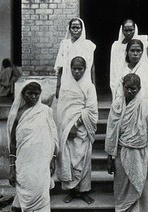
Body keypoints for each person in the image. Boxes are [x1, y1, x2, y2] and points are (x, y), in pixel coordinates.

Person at [105, 73, 148, 211]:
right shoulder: (117, 106)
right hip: (121, 152)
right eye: (127, 88)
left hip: (140, 153)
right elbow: (111, 134)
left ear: (140, 88)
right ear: (122, 87)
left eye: (133, 89)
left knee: (140, 187)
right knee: (122, 188)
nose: (130, 91)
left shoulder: (146, 106)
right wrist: (109, 158)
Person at [7, 81, 58, 212]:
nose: (33, 97)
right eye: (30, 94)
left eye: (36, 94)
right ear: (23, 94)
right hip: (24, 164)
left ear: (40, 94)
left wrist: (53, 159)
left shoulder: (45, 112)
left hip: (41, 164)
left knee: (41, 195)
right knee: (25, 194)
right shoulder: (17, 114)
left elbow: (52, 137)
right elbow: (13, 142)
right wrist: (12, 168)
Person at [56, 56, 98, 204]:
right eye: (74, 68)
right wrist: (66, 128)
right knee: (68, 160)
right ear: (70, 69)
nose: (77, 71)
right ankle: (71, 191)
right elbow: (61, 109)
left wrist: (76, 125)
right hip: (67, 130)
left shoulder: (89, 86)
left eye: (80, 69)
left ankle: (84, 191)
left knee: (83, 161)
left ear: (85, 69)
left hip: (82, 129)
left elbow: (91, 109)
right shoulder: (65, 86)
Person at [54, 17, 96, 99]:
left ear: (82, 29)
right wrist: (58, 86)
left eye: (78, 27)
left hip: (84, 80)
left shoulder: (88, 45)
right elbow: (60, 66)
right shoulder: (65, 45)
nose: (75, 30)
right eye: (73, 27)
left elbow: (92, 67)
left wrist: (93, 85)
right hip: (67, 80)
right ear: (69, 29)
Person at [114, 39, 148, 108]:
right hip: (127, 107)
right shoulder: (122, 71)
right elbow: (119, 93)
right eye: (132, 51)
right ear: (127, 52)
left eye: (138, 51)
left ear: (142, 52)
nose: (135, 53)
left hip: (146, 107)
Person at [110, 19, 148, 97]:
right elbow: (114, 67)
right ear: (122, 30)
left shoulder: (140, 44)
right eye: (126, 30)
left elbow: (144, 63)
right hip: (121, 79)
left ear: (135, 29)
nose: (128, 33)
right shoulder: (116, 46)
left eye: (131, 30)